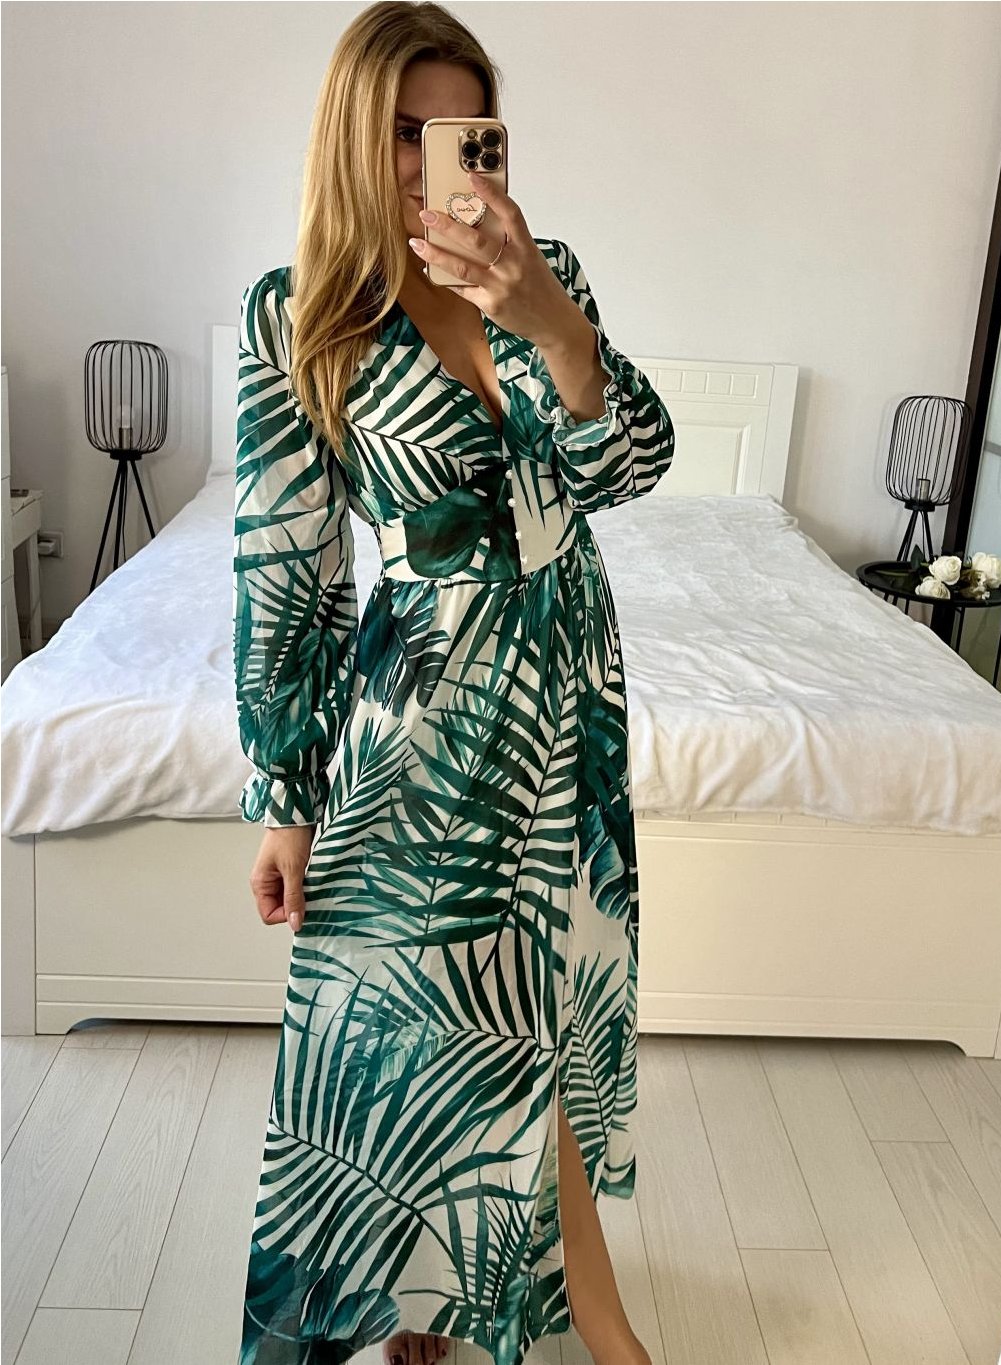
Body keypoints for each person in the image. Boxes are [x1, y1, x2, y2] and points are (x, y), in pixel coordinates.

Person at [233, 5, 674, 1364]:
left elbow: (627, 470)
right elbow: (289, 571)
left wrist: (551, 325)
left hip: (565, 692)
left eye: (466, 131)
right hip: (427, 706)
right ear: (354, 140)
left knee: (540, 1003)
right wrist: (284, 796)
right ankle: (539, 1316)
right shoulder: (298, 315)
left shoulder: (548, 277)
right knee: (417, 1020)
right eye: (407, 132)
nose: (440, 160)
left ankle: (511, 1304)